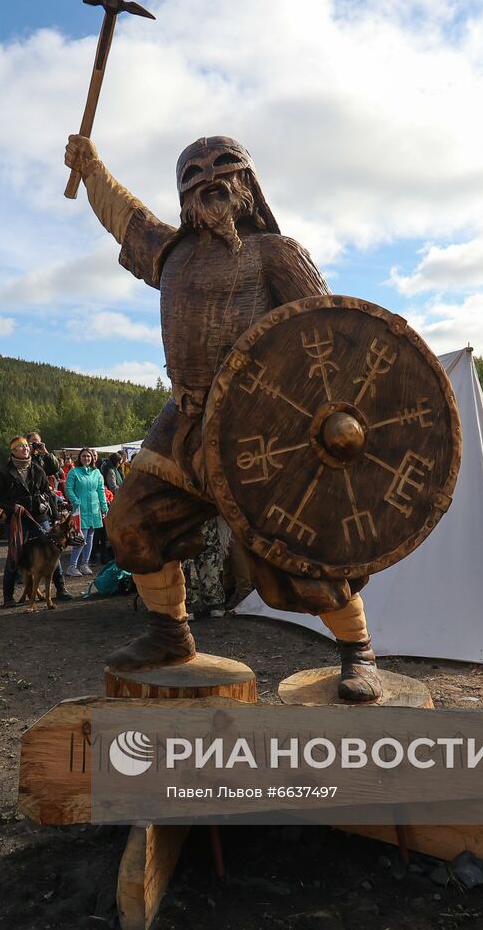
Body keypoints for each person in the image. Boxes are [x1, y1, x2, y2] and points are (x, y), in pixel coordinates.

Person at [64, 133, 379, 701]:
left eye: (224, 168)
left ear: (248, 185)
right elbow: (122, 213)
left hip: (261, 430)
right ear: (182, 191)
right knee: (132, 523)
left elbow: (327, 337)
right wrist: (89, 168)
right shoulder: (170, 252)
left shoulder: (276, 254)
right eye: (194, 172)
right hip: (183, 420)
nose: (209, 178)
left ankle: (358, 650)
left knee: (291, 552)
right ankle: (170, 632)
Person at [0, 437, 62, 607]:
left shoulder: (38, 468)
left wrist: (55, 516)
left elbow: (49, 491)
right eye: (20, 447)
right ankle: (8, 597)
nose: (25, 449)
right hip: (17, 519)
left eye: (26, 446)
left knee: (53, 552)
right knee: (14, 556)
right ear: (13, 451)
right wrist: (12, 507)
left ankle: (61, 589)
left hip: (39, 516)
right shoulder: (4, 472)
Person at [63, 447, 109, 576]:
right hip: (80, 510)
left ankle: (84, 564)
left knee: (90, 537)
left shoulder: (97, 473)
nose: (86, 458)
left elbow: (101, 491)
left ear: (93, 458)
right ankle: (72, 566)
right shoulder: (74, 472)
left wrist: (104, 507)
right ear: (79, 458)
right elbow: (69, 488)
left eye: (88, 456)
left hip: (94, 509)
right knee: (80, 538)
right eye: (83, 456)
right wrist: (75, 501)